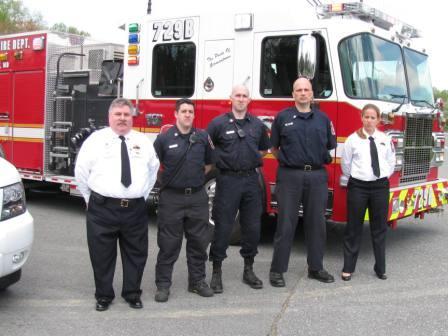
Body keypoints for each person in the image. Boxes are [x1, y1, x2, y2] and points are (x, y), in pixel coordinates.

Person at [75, 98, 159, 311]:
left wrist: (139, 195)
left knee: (136, 254)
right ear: (110, 117)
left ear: (132, 117)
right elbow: (81, 172)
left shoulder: (143, 141)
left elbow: (152, 171)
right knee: (102, 255)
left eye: (126, 115)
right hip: (102, 208)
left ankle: (132, 294)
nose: (122, 118)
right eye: (118, 114)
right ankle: (103, 295)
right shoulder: (95, 140)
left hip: (135, 210)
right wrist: (90, 199)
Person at [269, 77, 337, 287]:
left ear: (312, 94)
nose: (302, 93)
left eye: (306, 89)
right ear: (293, 94)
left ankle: (315, 268)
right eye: (298, 90)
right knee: (286, 224)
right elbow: (274, 147)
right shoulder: (282, 117)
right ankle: (277, 271)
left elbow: (330, 145)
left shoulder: (323, 119)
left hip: (317, 176)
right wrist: (289, 163)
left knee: (317, 224)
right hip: (290, 176)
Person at [207, 84, 271, 293]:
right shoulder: (218, 123)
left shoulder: (257, 126)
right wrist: (226, 160)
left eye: (244, 96)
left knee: (252, 227)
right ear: (230, 98)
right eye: (237, 95)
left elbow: (263, 149)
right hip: (227, 181)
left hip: (252, 180)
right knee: (223, 227)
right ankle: (217, 272)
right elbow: (208, 148)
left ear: (249, 100)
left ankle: (248, 270)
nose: (241, 99)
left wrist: (248, 159)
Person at [153, 98, 215, 302]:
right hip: (172, 198)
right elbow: (153, 166)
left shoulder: (202, 137)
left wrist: (193, 181)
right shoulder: (164, 139)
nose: (188, 114)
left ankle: (196, 282)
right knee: (168, 244)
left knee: (198, 243)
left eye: (191, 111)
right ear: (176, 114)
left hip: (197, 196)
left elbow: (208, 164)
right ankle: (163, 286)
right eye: (184, 111)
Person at [340, 103, 395, 281]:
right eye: (366, 116)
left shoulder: (385, 139)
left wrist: (382, 177)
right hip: (358, 187)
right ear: (361, 118)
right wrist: (357, 178)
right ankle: (348, 267)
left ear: (378, 120)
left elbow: (390, 161)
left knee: (379, 228)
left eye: (373, 117)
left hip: (379, 187)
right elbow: (346, 165)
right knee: (353, 228)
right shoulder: (352, 140)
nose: (369, 120)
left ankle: (380, 268)